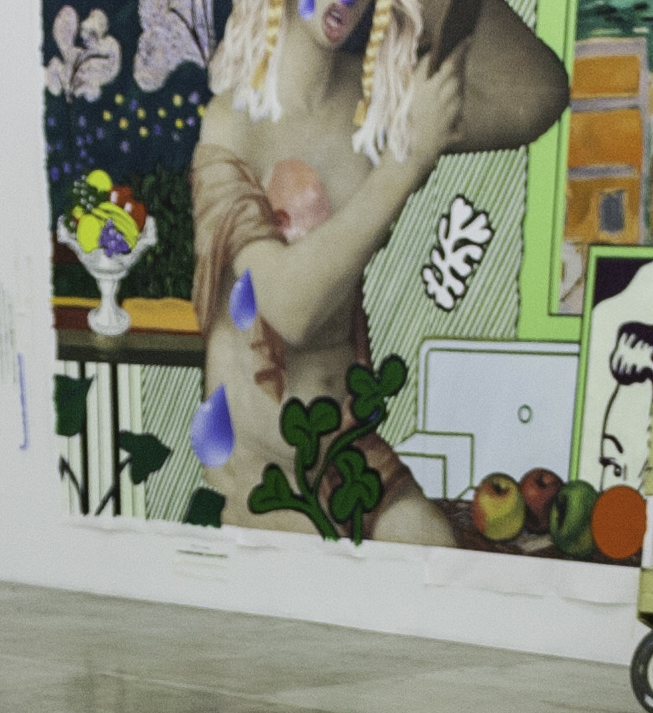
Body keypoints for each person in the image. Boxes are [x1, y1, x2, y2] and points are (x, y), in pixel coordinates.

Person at [190, 0, 569, 543]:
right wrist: (406, 162)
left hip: (345, 449)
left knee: (435, 551)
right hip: (260, 472)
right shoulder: (235, 118)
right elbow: (287, 310)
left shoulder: (376, 98)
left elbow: (536, 98)